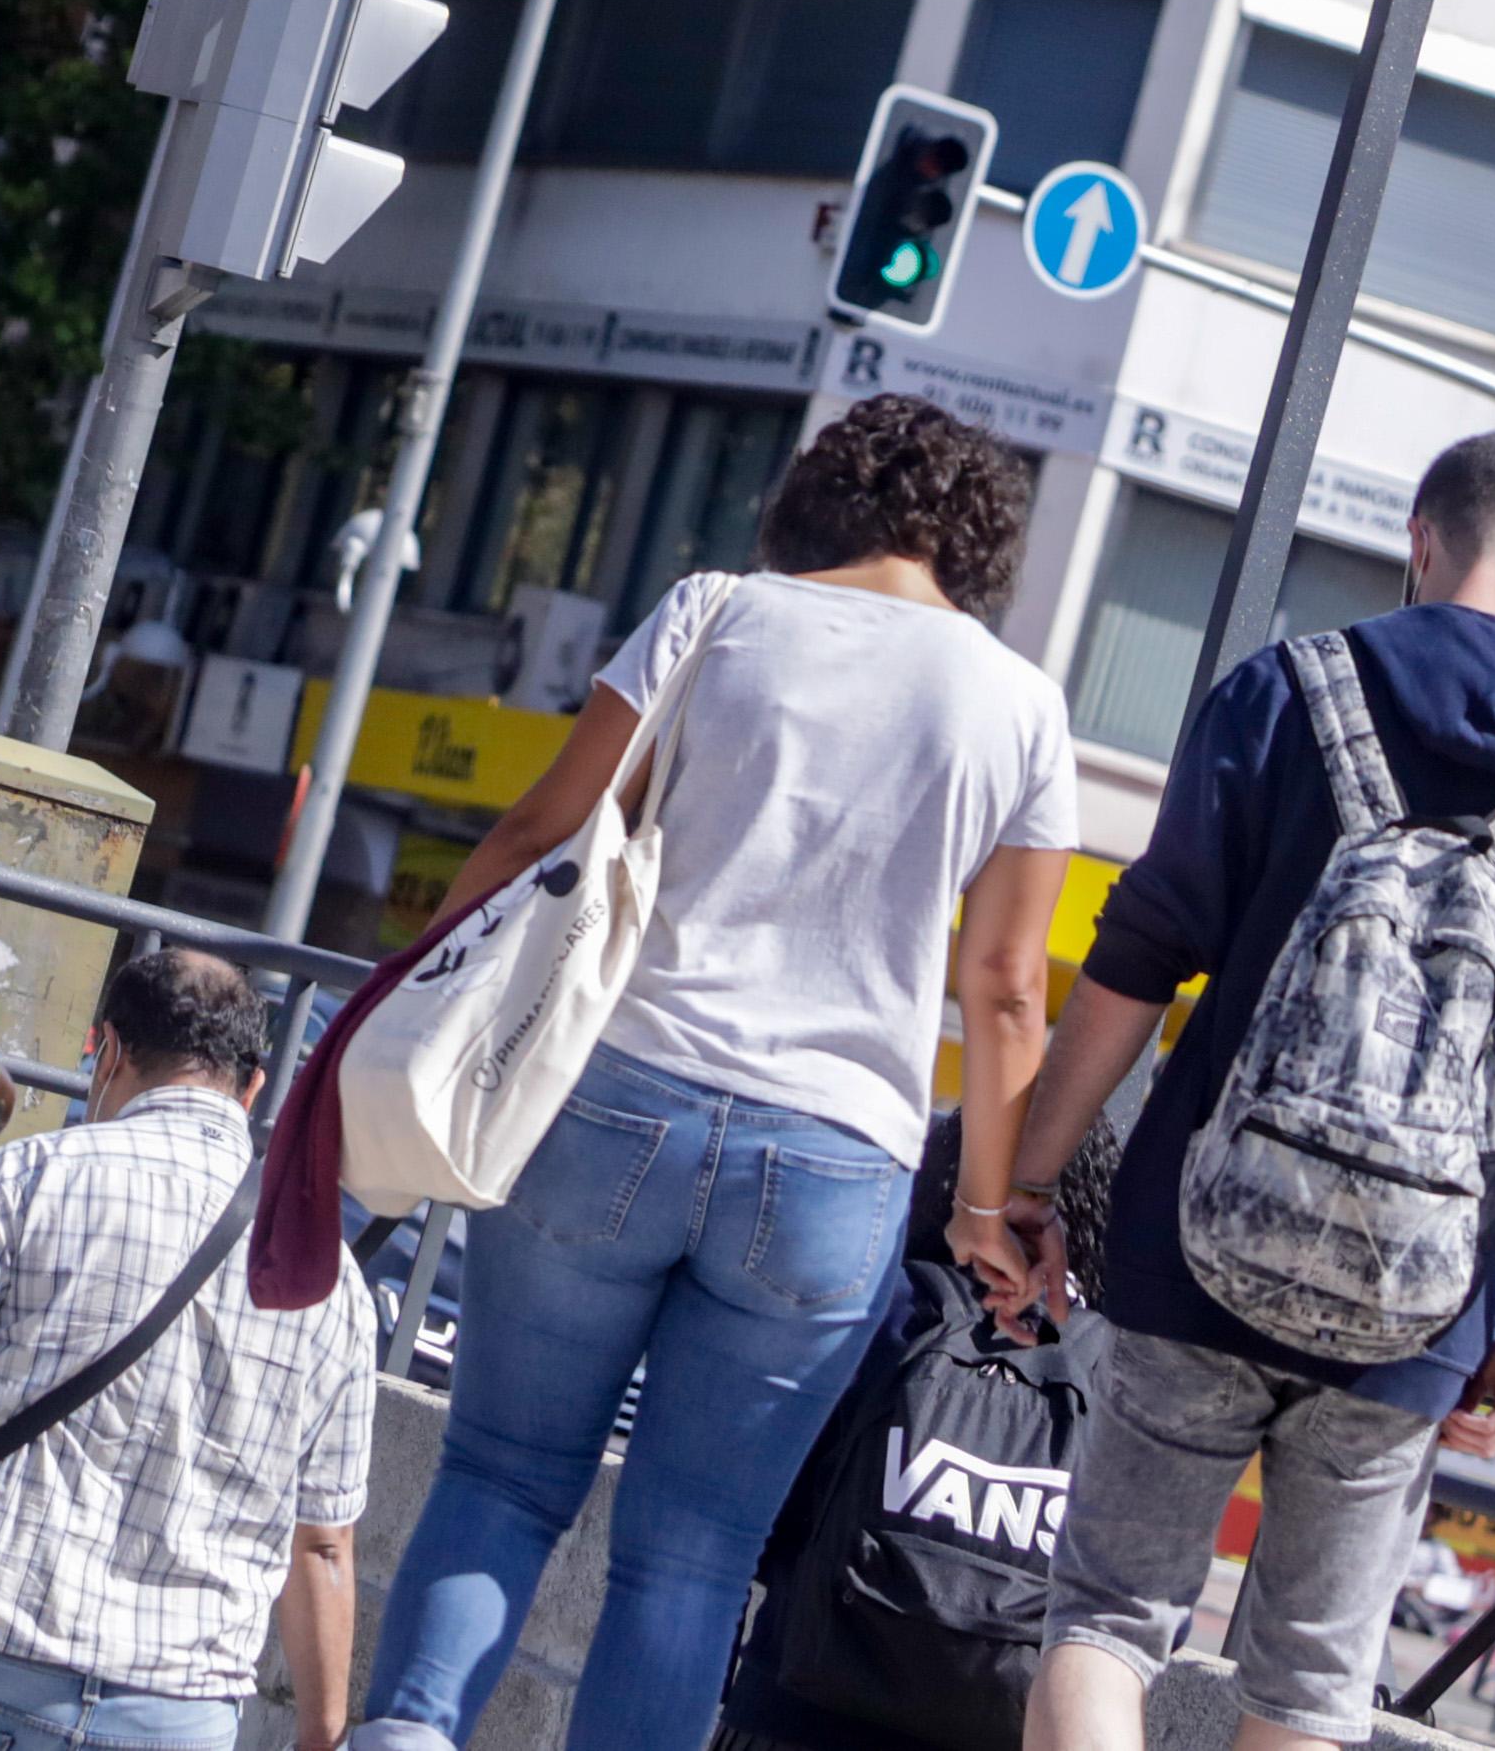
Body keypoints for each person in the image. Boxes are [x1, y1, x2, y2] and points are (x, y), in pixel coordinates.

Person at [358, 395, 1081, 1751]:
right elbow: (1005, 988)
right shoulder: (1022, 707)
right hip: (835, 1164)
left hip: (618, 1091)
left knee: (505, 1476)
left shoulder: (715, 612)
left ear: (821, 501)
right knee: (689, 1558)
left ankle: (405, 1736)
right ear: (977, 546)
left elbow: (540, 831)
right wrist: (987, 1206)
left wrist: (414, 1009)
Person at [994, 431, 1495, 1751]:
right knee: (1308, 1689)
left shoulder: (1284, 691)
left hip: (1200, 1247)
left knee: (1109, 1616)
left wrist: (1030, 1180)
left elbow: (1139, 955)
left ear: (1420, 538)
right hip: (1414, 1309)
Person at [0, 946, 374, 1751]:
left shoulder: (25, 1176)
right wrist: (321, 1734)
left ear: (109, 1049)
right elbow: (322, 1542)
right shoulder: (326, 1273)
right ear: (253, 1085)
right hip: (175, 1716)